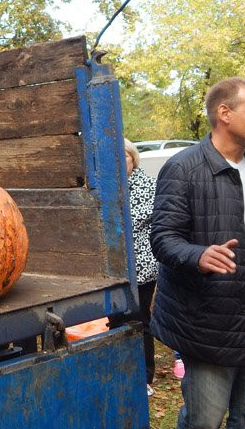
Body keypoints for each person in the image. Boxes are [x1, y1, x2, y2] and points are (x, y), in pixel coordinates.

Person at [150, 77, 245, 428]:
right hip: (209, 325)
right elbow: (162, 237)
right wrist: (198, 255)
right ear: (225, 114)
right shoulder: (183, 168)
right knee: (204, 421)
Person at [109, 139, 157, 396]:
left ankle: (144, 376)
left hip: (142, 269)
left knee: (139, 320)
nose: (120, 162)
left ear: (133, 159)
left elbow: (135, 221)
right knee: (115, 319)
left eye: (124, 156)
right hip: (115, 270)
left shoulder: (147, 185)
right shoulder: (108, 187)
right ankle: (117, 370)